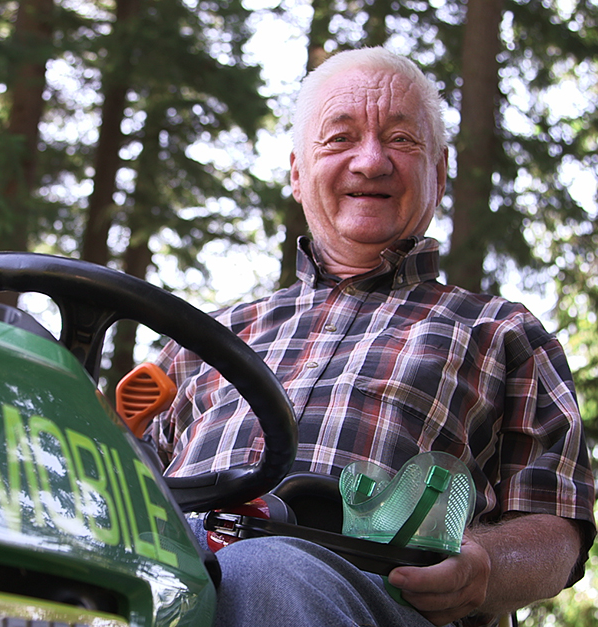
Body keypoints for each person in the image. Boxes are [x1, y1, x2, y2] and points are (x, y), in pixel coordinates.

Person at [148, 47, 595, 627]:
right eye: (339, 139)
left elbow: (558, 529)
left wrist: (485, 565)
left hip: (378, 598)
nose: (371, 161)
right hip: (174, 583)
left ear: (439, 170)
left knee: (263, 575)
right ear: (296, 172)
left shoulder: (499, 332)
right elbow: (114, 483)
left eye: (403, 140)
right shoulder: (205, 337)